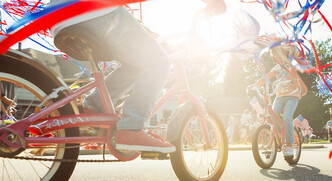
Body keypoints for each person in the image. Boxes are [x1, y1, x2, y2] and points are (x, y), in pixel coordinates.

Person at [48, 0, 226, 153]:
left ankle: (95, 105)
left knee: (136, 63)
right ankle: (133, 128)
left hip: (59, 18)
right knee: (160, 62)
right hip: (95, 11)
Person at [247, 42, 307, 158]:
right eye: (275, 56)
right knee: (272, 116)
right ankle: (275, 139)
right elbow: (265, 78)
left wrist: (294, 80)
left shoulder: (290, 66)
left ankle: (289, 145)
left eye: (279, 56)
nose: (277, 58)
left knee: (287, 117)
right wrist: (254, 85)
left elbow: (294, 75)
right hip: (279, 97)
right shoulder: (276, 68)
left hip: (292, 96)